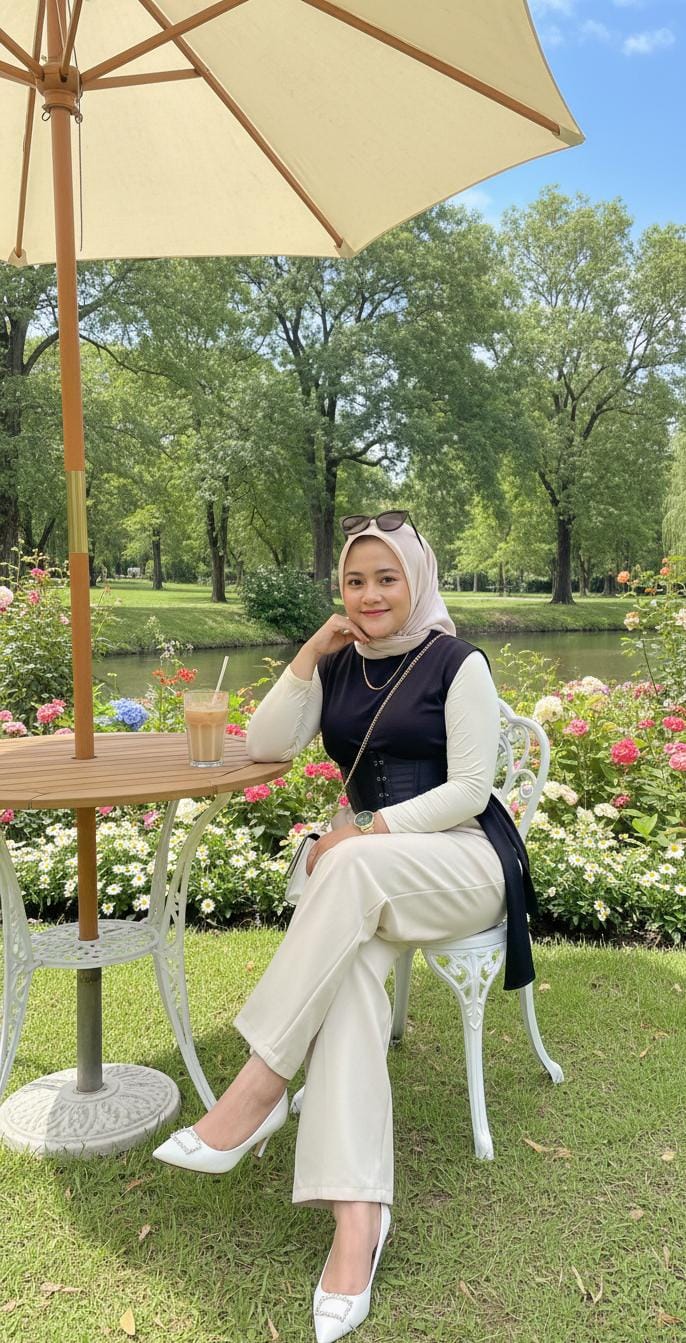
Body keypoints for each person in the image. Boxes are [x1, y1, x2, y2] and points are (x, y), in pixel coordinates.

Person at [153, 512, 537, 1342]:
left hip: (464, 862)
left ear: (416, 581)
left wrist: (362, 830)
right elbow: (264, 742)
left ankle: (259, 1088)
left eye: (386, 578)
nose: (369, 595)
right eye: (355, 580)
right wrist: (308, 653)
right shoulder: (340, 663)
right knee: (355, 962)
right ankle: (359, 1221)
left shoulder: (458, 662)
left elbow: (471, 790)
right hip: (370, 878)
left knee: (347, 863)